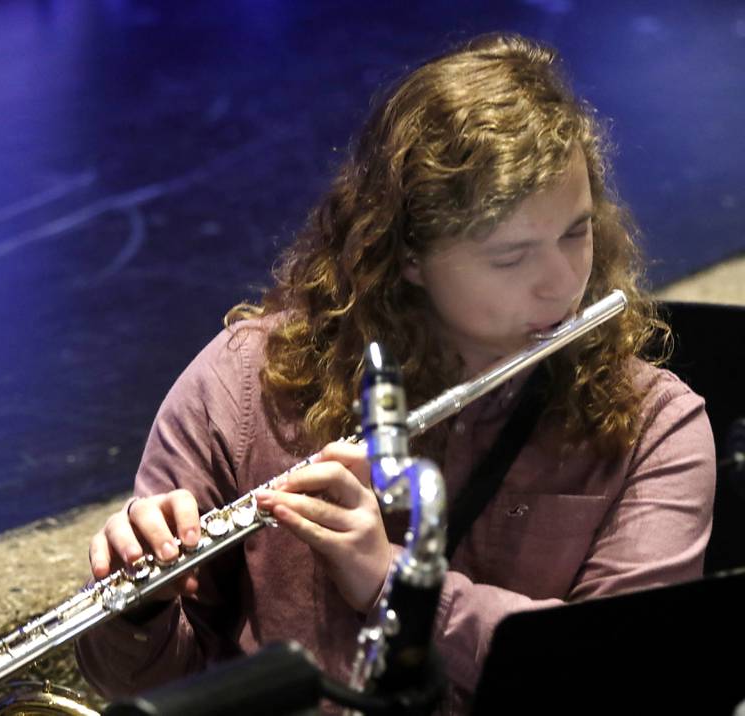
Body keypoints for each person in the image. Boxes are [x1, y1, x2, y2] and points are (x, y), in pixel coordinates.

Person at [76, 32, 715, 714]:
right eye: (510, 257)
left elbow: (627, 684)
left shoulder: (657, 427)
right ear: (409, 255)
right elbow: (146, 691)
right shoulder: (243, 387)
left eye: (576, 232)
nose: (562, 282)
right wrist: (136, 612)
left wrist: (398, 585)